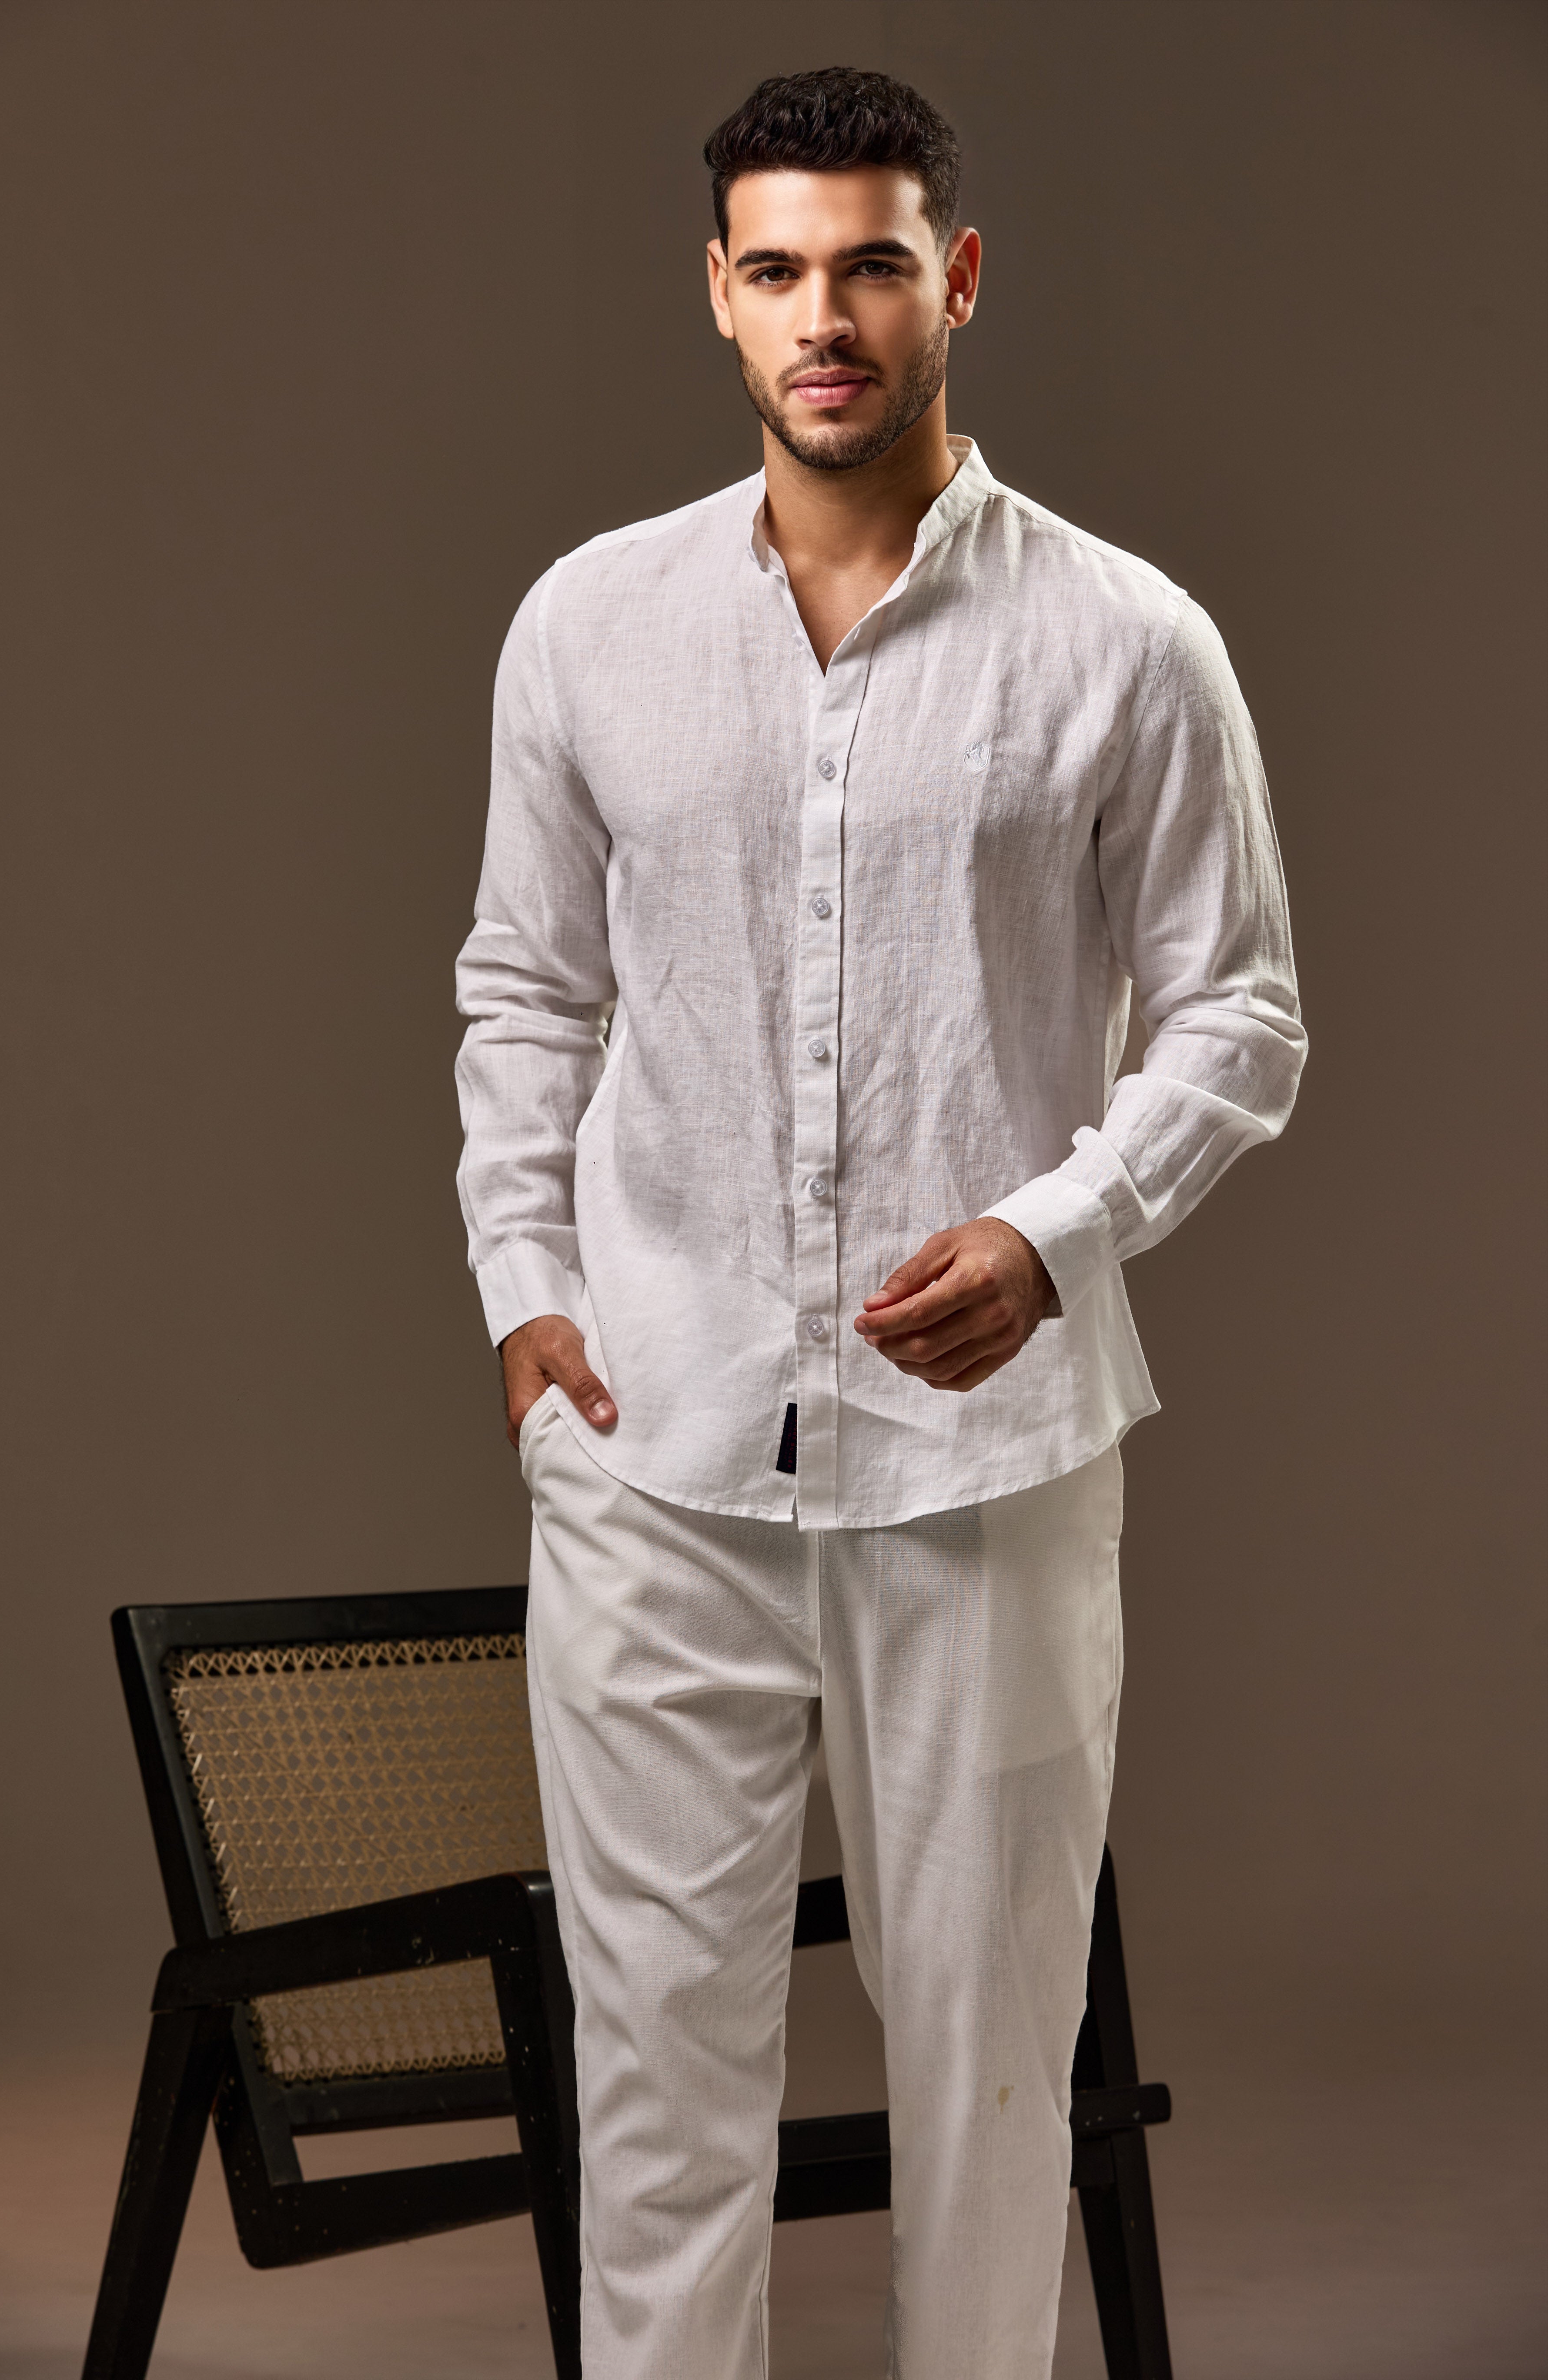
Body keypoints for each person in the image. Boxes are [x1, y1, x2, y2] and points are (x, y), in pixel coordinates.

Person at [455, 64, 1304, 2380]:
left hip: (990, 1465)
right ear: (718, 293)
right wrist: (528, 1296)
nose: (824, 316)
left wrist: (1058, 1230)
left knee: (993, 2079)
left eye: (871, 265)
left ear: (960, 277)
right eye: (778, 269)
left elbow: (1240, 1018)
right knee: (654, 2086)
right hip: (652, 1452)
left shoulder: (1127, 641)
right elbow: (524, 990)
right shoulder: (590, 626)